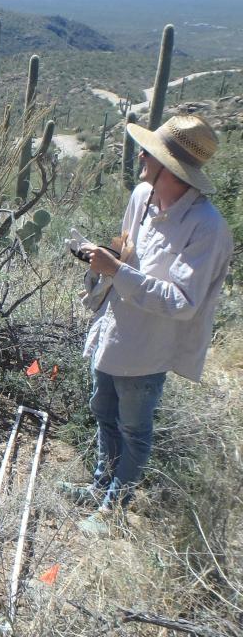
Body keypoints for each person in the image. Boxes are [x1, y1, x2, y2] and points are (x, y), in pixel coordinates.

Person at [62, 114, 233, 535]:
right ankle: (102, 484)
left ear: (171, 166)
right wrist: (103, 255)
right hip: (114, 330)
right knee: (103, 411)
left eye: (149, 152)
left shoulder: (207, 228)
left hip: (148, 347)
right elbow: (129, 251)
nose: (140, 155)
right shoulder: (142, 195)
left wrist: (118, 271)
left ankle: (113, 508)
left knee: (134, 428)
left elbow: (184, 302)